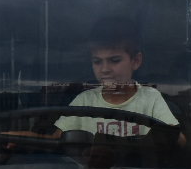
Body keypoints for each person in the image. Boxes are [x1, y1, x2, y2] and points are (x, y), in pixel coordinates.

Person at [51, 17, 180, 140]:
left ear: (136, 61)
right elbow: (58, 140)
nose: (105, 69)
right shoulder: (84, 100)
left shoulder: (151, 99)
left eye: (114, 60)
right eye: (97, 61)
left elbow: (177, 139)